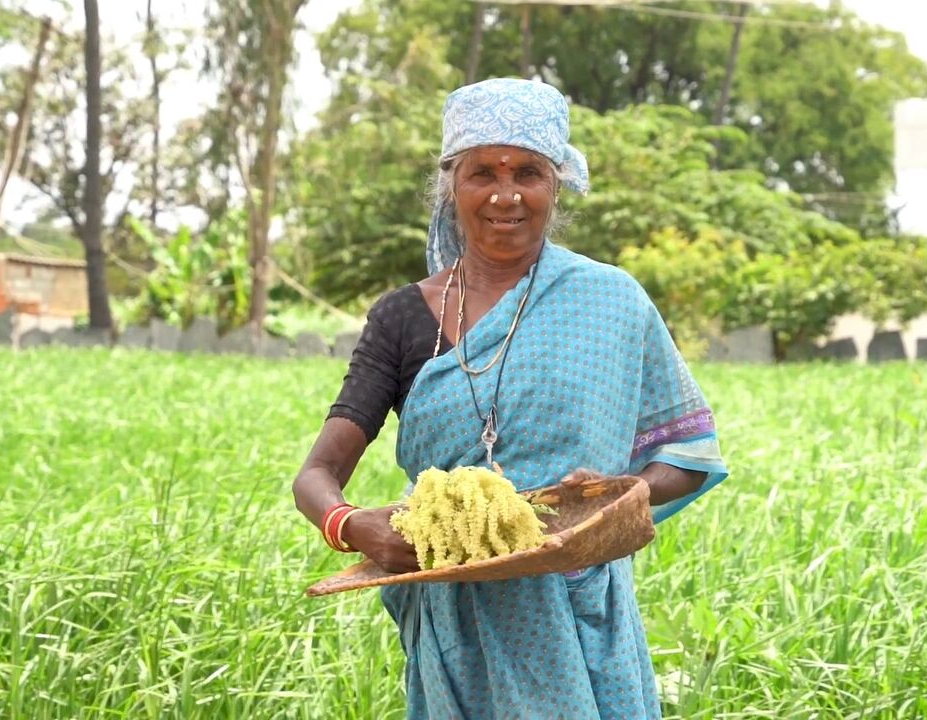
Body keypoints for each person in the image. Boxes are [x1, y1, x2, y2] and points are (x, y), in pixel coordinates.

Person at [292, 77, 728, 720]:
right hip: (454, 614)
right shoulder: (402, 318)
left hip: (578, 608)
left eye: (527, 171)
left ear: (556, 186)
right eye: (481, 173)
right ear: (451, 185)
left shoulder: (611, 302)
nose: (505, 194)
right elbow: (318, 474)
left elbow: (688, 454)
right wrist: (353, 526)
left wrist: (621, 492)